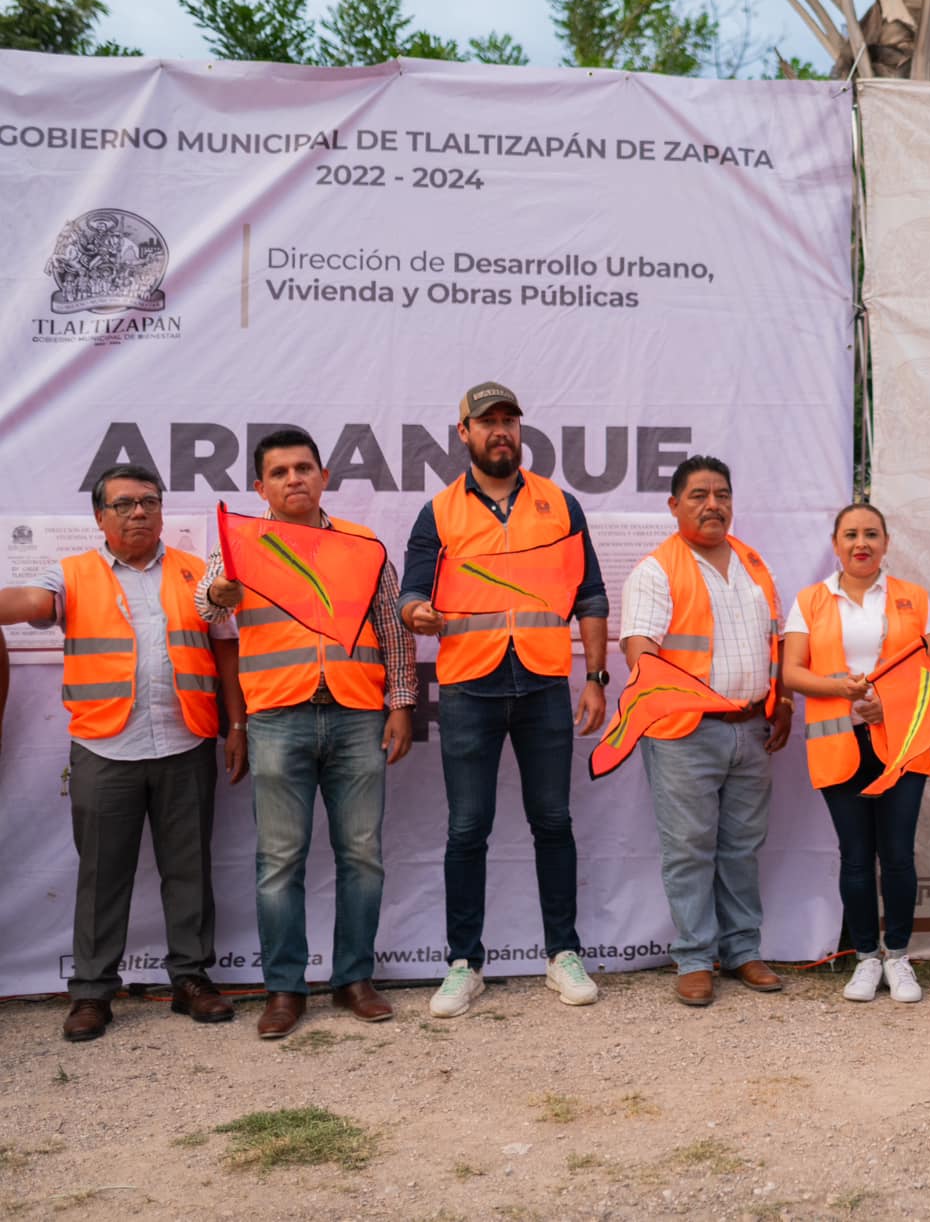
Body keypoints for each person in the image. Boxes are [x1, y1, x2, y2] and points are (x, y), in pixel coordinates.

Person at [0, 465, 243, 1042]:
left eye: (150, 502)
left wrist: (238, 724)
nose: (140, 512)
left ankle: (191, 979)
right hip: (105, 748)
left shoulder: (195, 573)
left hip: (185, 741)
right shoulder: (72, 574)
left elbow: (226, 653)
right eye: (126, 503)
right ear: (99, 516)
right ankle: (91, 992)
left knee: (189, 870)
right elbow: (30, 601)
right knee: (102, 874)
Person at [397, 383, 609, 1016]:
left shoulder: (559, 504)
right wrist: (419, 612)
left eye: (509, 421)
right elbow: (408, 595)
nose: (500, 431)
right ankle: (464, 963)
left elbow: (590, 596)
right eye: (486, 422)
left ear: (520, 430)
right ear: (462, 432)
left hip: (544, 682)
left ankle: (562, 955)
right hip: (469, 686)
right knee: (468, 829)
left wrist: (595, 678)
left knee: (554, 823)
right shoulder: (438, 512)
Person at [198, 428, 418, 1037]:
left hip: (356, 714)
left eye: (304, 468)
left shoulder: (362, 543)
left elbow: (394, 629)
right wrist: (219, 590)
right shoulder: (240, 543)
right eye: (280, 471)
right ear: (259, 486)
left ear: (323, 476)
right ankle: (285, 990)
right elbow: (209, 606)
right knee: (279, 861)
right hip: (277, 716)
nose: (294, 479)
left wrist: (400, 703)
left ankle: (353, 979)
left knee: (363, 856)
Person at [620, 456, 794, 1006]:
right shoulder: (656, 570)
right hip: (683, 733)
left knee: (742, 847)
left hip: (751, 727)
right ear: (674, 506)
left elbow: (778, 642)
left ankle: (743, 950)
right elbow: (639, 649)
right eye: (698, 495)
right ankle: (695, 957)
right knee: (690, 848)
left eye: (721, 493)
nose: (712, 504)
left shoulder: (755, 563)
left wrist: (782, 699)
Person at [780, 503, 930, 1004]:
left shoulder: (913, 599)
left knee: (897, 855)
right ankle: (865, 960)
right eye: (851, 534)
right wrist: (847, 693)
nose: (861, 543)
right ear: (835, 544)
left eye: (871, 534)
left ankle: (898, 957)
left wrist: (886, 704)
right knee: (855, 858)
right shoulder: (810, 601)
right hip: (838, 744)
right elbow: (791, 672)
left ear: (886, 543)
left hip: (902, 744)